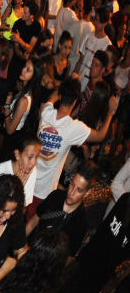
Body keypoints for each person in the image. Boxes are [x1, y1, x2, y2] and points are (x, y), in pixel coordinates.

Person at [32, 77, 114, 211]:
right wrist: (110, 112)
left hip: (28, 179)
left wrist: (66, 85)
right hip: (43, 192)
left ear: (60, 96)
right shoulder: (73, 128)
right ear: (76, 101)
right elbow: (100, 136)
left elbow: (51, 98)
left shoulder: (46, 112)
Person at [25, 161, 95, 258]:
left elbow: (69, 257)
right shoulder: (55, 196)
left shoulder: (81, 221)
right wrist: (18, 248)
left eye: (79, 190)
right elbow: (32, 223)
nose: (72, 192)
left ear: (87, 193)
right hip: (29, 250)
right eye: (72, 184)